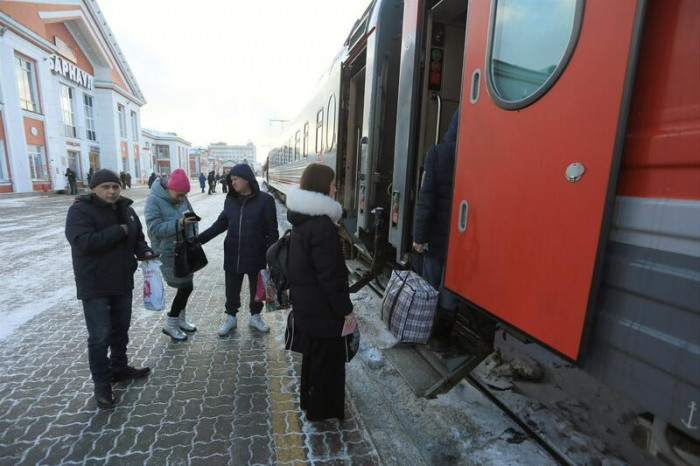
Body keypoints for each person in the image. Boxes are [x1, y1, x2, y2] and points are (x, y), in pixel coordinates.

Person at [65, 169, 154, 409]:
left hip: (122, 281)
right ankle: (102, 384)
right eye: (105, 187)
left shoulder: (127, 209)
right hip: (95, 285)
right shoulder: (79, 211)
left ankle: (119, 368)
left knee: (120, 330)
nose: (111, 191)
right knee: (99, 336)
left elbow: (138, 237)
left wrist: (143, 251)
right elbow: (83, 243)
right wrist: (119, 231)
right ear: (94, 188)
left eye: (115, 186)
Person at [286, 163, 355, 421]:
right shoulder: (322, 226)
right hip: (322, 306)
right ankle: (322, 411)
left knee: (314, 357)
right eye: (333, 183)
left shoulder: (303, 220)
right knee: (328, 360)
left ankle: (310, 403)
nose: (335, 188)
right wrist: (346, 309)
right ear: (322, 185)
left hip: (307, 303)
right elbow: (331, 276)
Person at [198, 163, 279, 336]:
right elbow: (220, 224)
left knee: (256, 288)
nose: (232, 183)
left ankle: (255, 316)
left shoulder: (266, 200)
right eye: (231, 180)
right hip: (233, 253)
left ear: (246, 179)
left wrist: (273, 257)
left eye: (235, 179)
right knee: (231, 289)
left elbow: (272, 231)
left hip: (257, 254)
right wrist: (198, 240)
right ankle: (231, 318)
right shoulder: (231, 200)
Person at [412, 111, 460, 347]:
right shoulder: (480, 152)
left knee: (429, 282)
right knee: (450, 286)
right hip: (463, 236)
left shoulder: (438, 154)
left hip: (436, 237)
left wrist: (419, 237)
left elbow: (426, 200)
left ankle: (425, 329)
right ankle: (443, 335)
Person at [144, 168, 199, 341]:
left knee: (187, 285)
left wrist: (193, 229)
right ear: (170, 188)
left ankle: (180, 321)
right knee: (184, 288)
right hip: (168, 252)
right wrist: (180, 223)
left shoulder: (182, 197)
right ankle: (170, 324)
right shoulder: (154, 201)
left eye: (184, 195)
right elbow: (155, 229)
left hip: (185, 251)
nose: (182, 198)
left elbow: (189, 215)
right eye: (180, 194)